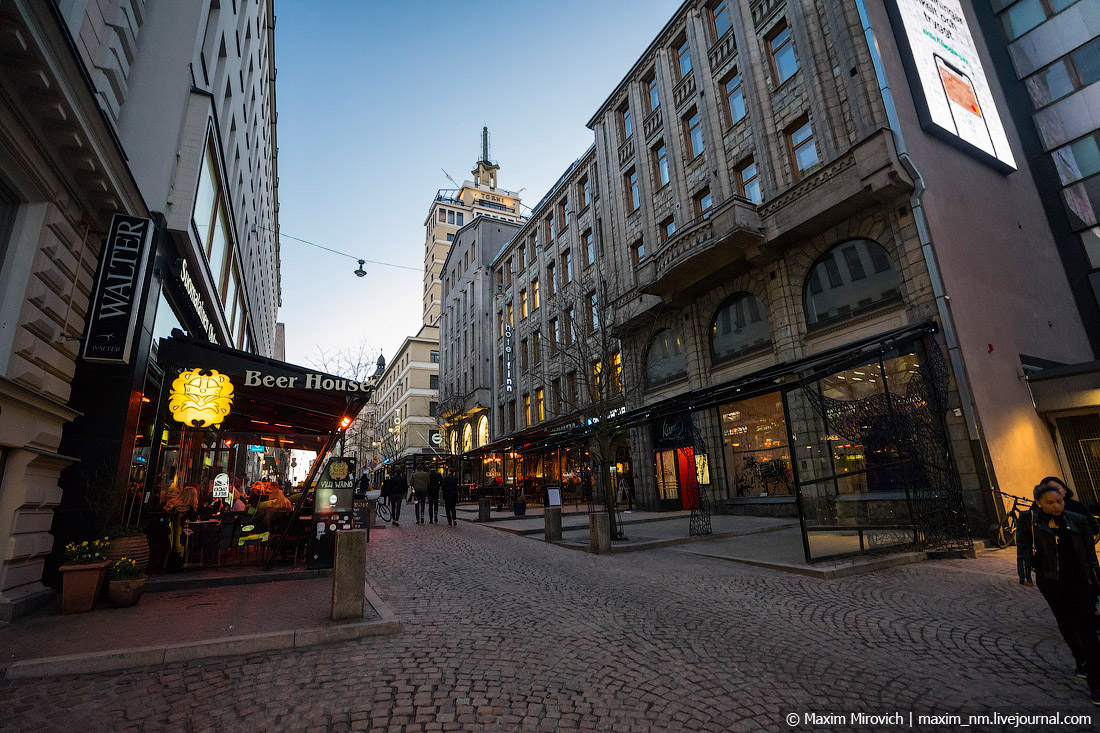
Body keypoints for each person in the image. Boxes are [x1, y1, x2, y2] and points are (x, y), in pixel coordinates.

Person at [1018, 482, 1100, 705]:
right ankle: (1079, 659)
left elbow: (1091, 558)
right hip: (1051, 582)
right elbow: (1023, 546)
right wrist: (1024, 573)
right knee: (1066, 622)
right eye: (1050, 502)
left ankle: (1096, 682)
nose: (1057, 506)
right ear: (1038, 503)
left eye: (1060, 501)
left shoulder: (1078, 520)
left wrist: (1097, 585)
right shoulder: (1029, 520)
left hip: (1080, 581)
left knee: (1088, 629)